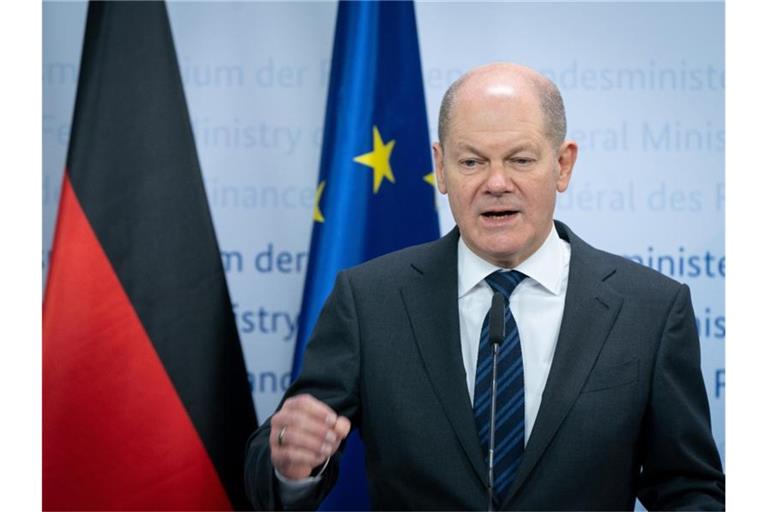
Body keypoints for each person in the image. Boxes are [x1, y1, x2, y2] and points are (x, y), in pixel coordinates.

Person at [244, 63, 725, 510]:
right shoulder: (369, 301)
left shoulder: (650, 309)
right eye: (472, 162)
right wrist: (292, 462)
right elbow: (274, 466)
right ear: (441, 166)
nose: (496, 183)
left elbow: (689, 487)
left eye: (519, 159)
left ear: (563, 164)